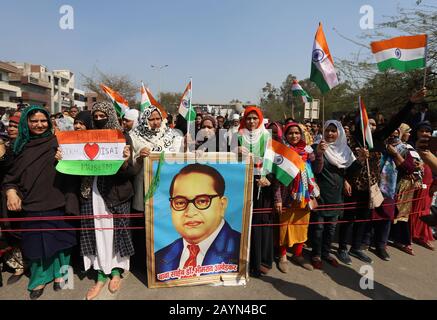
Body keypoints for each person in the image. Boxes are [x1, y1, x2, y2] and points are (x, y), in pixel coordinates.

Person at [338, 88, 427, 265]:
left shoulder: (378, 139)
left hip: (371, 187)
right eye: (366, 123)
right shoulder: (350, 141)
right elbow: (342, 165)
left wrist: (411, 102)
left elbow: (395, 123)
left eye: (373, 124)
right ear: (359, 123)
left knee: (364, 218)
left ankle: (356, 247)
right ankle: (342, 248)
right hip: (352, 187)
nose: (370, 126)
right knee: (349, 218)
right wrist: (346, 179)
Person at [3, 106, 78, 299]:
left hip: (58, 200)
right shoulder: (19, 146)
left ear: (49, 122)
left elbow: (77, 169)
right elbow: (10, 177)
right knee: (35, 244)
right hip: (31, 204)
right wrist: (11, 192)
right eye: (34, 121)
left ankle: (63, 277)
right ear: (26, 123)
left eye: (43, 121)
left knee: (63, 242)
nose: (39, 124)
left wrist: (65, 159)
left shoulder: (60, 142)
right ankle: (39, 279)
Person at [79, 101, 136, 300]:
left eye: (103, 116)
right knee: (97, 231)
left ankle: (116, 272)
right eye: (96, 116)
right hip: (92, 192)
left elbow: (131, 173)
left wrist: (125, 162)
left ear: (111, 116)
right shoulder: (85, 138)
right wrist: (63, 159)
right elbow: (77, 164)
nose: (99, 119)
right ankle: (101, 275)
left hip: (116, 193)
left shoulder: (122, 137)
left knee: (115, 232)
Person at [154, 164, 241, 277]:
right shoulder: (159, 257)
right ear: (171, 207)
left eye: (202, 201)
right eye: (180, 202)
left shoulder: (239, 248)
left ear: (222, 205)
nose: (190, 212)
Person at [310, 120, 365, 269]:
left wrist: (360, 159)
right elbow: (315, 170)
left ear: (339, 133)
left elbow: (350, 170)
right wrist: (319, 153)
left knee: (331, 228)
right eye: (327, 130)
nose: (330, 133)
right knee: (319, 227)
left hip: (336, 194)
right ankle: (316, 254)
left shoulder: (344, 150)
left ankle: (326, 253)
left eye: (333, 131)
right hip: (321, 193)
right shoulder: (316, 146)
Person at [274, 122, 320, 272]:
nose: (294, 136)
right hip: (287, 196)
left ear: (301, 135)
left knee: (301, 225)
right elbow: (276, 179)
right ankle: (282, 256)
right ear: (286, 135)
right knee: (284, 226)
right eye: (290, 133)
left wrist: (319, 154)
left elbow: (318, 169)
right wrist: (278, 199)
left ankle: (298, 254)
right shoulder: (281, 153)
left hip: (304, 195)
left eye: (297, 133)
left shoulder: (308, 152)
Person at [237, 106, 273, 277]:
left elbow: (273, 159)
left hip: (262, 185)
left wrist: (268, 178)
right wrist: (234, 151)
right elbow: (227, 157)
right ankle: (244, 260)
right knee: (244, 222)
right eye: (248, 118)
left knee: (260, 222)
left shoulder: (267, 136)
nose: (251, 122)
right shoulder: (238, 136)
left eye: (254, 118)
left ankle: (260, 261)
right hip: (243, 184)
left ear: (260, 119)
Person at [130, 106, 183, 212]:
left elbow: (179, 155)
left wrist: (185, 146)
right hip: (144, 184)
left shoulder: (171, 135)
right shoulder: (133, 136)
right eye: (151, 119)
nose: (155, 122)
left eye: (158, 119)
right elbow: (130, 165)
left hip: (166, 182)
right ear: (144, 119)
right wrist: (140, 157)